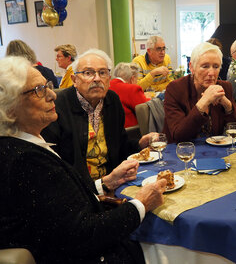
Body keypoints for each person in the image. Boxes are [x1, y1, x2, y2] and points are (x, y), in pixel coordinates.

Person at [0, 56, 167, 263]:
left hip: (87, 224)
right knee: (166, 247)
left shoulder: (24, 144)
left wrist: (105, 183)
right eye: (39, 90)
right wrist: (141, 204)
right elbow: (83, 234)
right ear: (10, 108)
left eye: (48, 86)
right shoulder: (25, 159)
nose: (52, 95)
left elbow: (61, 203)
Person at [42, 49, 155, 193]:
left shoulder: (112, 100)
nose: (97, 79)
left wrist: (139, 144)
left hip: (115, 184)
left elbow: (120, 146)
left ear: (109, 78)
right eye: (88, 73)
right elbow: (55, 165)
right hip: (78, 191)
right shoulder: (58, 108)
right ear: (74, 80)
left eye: (102, 73)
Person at [163, 42, 236, 143]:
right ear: (192, 67)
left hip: (214, 152)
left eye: (216, 67)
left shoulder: (225, 87)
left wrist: (228, 106)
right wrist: (203, 102)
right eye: (205, 66)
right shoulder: (176, 89)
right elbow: (179, 136)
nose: (211, 73)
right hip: (180, 152)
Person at [109, 62, 150, 128]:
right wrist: (148, 98)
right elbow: (146, 109)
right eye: (137, 79)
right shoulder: (132, 88)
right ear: (132, 78)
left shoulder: (107, 86)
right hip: (131, 131)